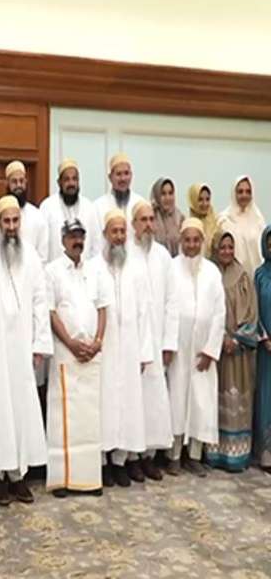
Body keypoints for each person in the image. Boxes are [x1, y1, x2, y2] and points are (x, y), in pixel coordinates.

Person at [0, 195, 52, 505]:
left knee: (21, 411)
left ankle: (18, 475)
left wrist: (40, 344)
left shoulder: (31, 256)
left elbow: (41, 302)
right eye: (7, 221)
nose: (12, 226)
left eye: (16, 221)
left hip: (23, 349)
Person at [45, 219, 109, 498]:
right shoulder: (52, 271)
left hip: (91, 354)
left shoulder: (95, 270)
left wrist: (97, 342)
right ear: (63, 240)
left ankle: (89, 480)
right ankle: (62, 480)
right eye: (72, 236)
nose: (77, 241)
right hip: (66, 353)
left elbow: (103, 308)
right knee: (63, 419)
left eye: (81, 236)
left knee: (88, 419)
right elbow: (51, 312)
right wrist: (70, 343)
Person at [92, 209, 153, 487]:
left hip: (129, 347)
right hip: (104, 348)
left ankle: (120, 461)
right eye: (113, 231)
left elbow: (145, 311)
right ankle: (103, 462)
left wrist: (144, 352)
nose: (118, 236)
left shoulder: (137, 268)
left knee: (128, 404)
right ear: (105, 234)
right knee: (104, 404)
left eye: (121, 231)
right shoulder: (94, 267)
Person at [166, 218, 225, 477]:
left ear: (202, 241)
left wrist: (211, 350)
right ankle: (173, 456)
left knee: (201, 403)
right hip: (178, 350)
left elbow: (220, 313)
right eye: (187, 240)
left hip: (202, 351)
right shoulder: (171, 268)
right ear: (181, 241)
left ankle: (195, 456)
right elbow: (167, 307)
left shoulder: (212, 271)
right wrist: (168, 344)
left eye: (195, 240)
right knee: (177, 401)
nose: (191, 245)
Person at [131, 201, 178, 481]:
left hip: (158, 339)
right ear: (133, 224)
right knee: (133, 400)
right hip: (132, 342)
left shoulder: (162, 257)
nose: (148, 225)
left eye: (151, 219)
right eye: (143, 220)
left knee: (153, 400)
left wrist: (169, 342)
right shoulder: (125, 254)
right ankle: (131, 456)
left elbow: (172, 301)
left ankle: (148, 456)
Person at [205, 230, 257, 472]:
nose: (226, 251)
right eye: (222, 247)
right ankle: (213, 452)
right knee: (213, 397)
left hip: (237, 352)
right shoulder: (208, 274)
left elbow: (252, 313)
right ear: (215, 249)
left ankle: (236, 454)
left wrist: (235, 339)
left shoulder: (242, 276)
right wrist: (219, 337)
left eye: (230, 247)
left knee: (236, 397)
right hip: (215, 350)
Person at [40, 158, 101, 262]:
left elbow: (96, 245)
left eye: (74, 179)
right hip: (55, 269)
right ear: (59, 182)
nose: (71, 183)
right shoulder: (47, 207)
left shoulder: (89, 207)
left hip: (84, 269)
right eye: (67, 179)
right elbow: (43, 245)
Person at [219, 175, 265, 276]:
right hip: (232, 278)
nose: (244, 195)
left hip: (256, 276)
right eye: (240, 191)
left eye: (248, 191)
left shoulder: (258, 218)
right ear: (234, 193)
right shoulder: (224, 220)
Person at [4, 160, 49, 262]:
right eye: (14, 181)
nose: (19, 185)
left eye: (21, 181)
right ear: (7, 184)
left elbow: (42, 257)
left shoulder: (37, 216)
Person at [93, 153, 146, 238]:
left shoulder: (141, 203)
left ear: (131, 175)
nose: (123, 178)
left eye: (126, 173)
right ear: (110, 177)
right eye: (118, 174)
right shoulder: (98, 206)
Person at [254, 226, 271, 471]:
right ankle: (267, 453)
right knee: (267, 397)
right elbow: (253, 309)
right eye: (269, 243)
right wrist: (265, 338)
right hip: (266, 350)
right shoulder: (259, 275)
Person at [150, 177, 184, 257]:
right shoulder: (150, 218)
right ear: (157, 195)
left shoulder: (180, 219)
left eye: (170, 193)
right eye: (163, 194)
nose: (167, 198)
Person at [187, 183, 218, 258]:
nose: (205, 204)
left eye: (207, 199)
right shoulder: (187, 224)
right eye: (200, 200)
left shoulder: (217, 222)